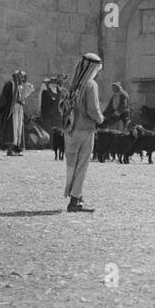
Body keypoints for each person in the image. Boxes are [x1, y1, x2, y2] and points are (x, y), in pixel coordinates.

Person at [62, 52, 105, 212]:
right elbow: (93, 110)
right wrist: (101, 119)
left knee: (71, 165)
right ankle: (74, 201)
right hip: (85, 130)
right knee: (82, 165)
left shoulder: (70, 83)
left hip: (69, 130)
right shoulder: (90, 85)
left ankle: (76, 195)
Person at [0, 70, 34, 156]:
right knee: (12, 128)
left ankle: (17, 148)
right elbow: (5, 99)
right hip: (11, 109)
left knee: (19, 127)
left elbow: (22, 96)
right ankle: (10, 149)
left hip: (19, 108)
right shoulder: (9, 85)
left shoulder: (20, 86)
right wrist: (5, 109)